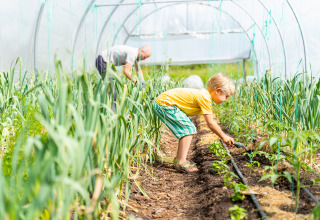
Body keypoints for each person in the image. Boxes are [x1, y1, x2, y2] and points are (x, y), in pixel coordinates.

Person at [153, 73, 235, 173]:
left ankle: (179, 159)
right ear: (218, 91)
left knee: (188, 128)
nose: (226, 100)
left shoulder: (205, 96)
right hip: (165, 104)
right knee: (188, 129)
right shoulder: (205, 97)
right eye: (226, 96)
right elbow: (210, 123)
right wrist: (224, 136)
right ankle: (180, 162)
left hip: (165, 103)